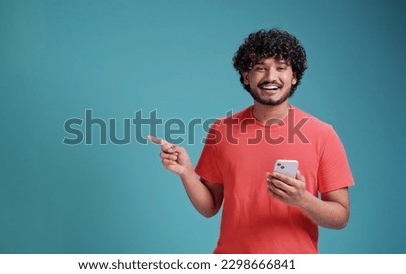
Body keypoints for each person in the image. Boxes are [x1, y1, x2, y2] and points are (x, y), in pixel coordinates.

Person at [148, 28, 354, 254]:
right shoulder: (221, 130)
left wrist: (302, 199)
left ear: (293, 76)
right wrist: (186, 171)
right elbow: (210, 207)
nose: (270, 77)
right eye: (260, 68)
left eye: (281, 68)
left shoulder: (322, 134)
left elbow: (341, 217)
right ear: (247, 76)